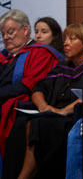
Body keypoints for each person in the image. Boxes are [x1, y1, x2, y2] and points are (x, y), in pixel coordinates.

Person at [4, 23, 83, 178]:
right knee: (20, 123)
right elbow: (38, 89)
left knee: (38, 125)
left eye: (72, 39)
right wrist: (43, 106)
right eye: (65, 39)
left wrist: (62, 111)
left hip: (78, 120)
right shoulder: (62, 66)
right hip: (52, 116)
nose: (66, 43)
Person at [0, 10, 63, 158]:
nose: (6, 37)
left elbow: (29, 85)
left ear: (25, 30)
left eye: (10, 32)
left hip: (24, 108)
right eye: (3, 34)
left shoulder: (40, 53)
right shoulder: (5, 56)